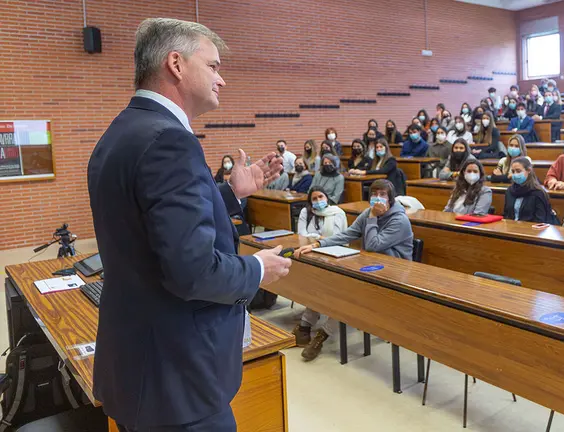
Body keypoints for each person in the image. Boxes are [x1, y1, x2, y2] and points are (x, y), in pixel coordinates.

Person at [87, 18, 292, 431]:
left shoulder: (123, 130)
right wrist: (257, 269)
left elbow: (152, 226)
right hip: (177, 380)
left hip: (139, 366)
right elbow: (192, 271)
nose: (222, 80)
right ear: (176, 64)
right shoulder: (171, 140)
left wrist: (231, 194)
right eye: (214, 66)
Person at [294, 180, 413, 357]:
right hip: (370, 266)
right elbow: (348, 234)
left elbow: (373, 244)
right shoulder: (368, 214)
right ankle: (305, 326)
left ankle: (323, 335)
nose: (377, 198)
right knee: (326, 281)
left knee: (347, 293)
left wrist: (372, 217)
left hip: (393, 272)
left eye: (382, 195)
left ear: (391, 199)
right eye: (374, 194)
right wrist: (318, 244)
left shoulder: (399, 220)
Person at [292, 187, 348, 360]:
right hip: (313, 255)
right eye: (314, 198)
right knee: (316, 290)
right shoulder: (307, 212)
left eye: (320, 197)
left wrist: (316, 239)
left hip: (336, 258)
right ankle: (305, 326)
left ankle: (321, 335)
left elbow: (337, 237)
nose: (317, 201)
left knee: (340, 299)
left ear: (327, 197)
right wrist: (318, 239)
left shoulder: (337, 212)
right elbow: (301, 235)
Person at [503, 157, 552, 222]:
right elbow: (506, 215)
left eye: (518, 171)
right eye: (513, 171)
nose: (515, 174)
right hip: (511, 228)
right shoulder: (510, 191)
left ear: (528, 170)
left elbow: (540, 220)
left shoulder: (538, 193)